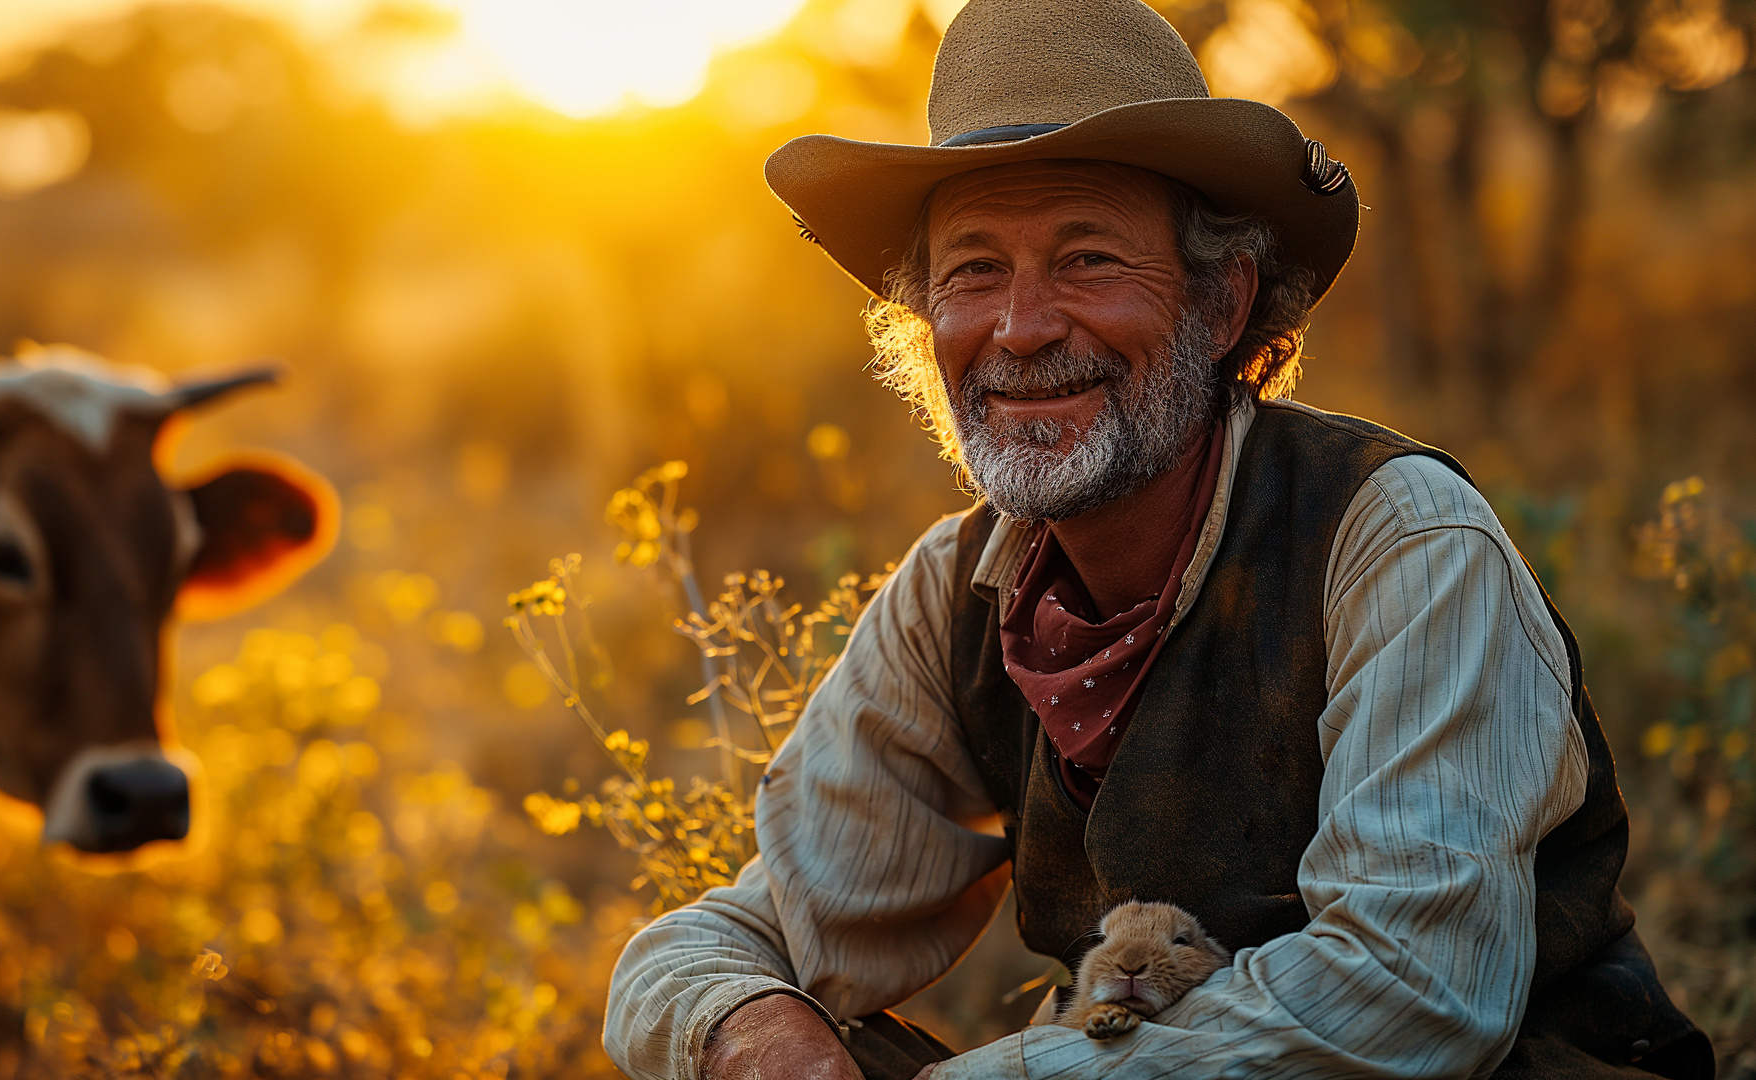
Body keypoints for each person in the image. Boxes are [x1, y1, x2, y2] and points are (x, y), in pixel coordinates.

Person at [604, 1, 1713, 1078]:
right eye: (973, 271)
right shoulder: (959, 592)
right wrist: (747, 1031)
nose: (1021, 328)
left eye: (1087, 259)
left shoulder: (1395, 540)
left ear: (1222, 304)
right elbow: (725, 939)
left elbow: (1409, 991)